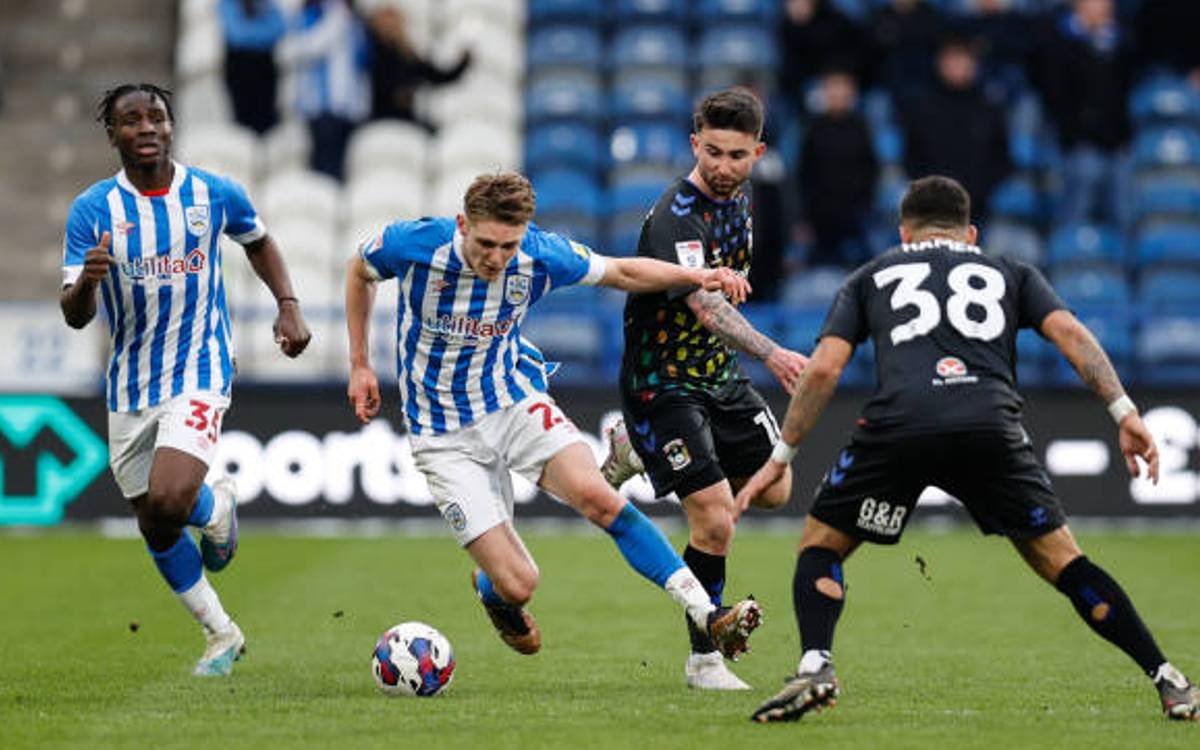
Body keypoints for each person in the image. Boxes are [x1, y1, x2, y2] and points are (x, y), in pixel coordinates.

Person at [734, 175, 1200, 722]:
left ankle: (816, 665)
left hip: (899, 425)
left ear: (904, 234)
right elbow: (1072, 334)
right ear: (971, 233)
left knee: (821, 545)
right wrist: (1125, 413)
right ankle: (1169, 679)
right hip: (989, 426)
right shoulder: (1010, 272)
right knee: (1063, 561)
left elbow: (825, 371)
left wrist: (781, 458)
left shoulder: (872, 275)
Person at [344, 171, 763, 664]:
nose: (496, 258)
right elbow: (359, 271)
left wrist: (698, 276)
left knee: (597, 496)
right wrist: (360, 363)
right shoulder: (415, 245)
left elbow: (623, 273)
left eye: (508, 245)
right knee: (519, 583)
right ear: (461, 224)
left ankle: (705, 613)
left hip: (512, 400)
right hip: (442, 434)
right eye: (486, 243)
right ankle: (494, 592)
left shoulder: (541, 255)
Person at [60, 84, 312, 676]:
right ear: (113, 134)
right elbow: (74, 315)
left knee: (171, 499)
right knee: (153, 519)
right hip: (129, 382)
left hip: (200, 367)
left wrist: (289, 303)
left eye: (157, 117)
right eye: (131, 120)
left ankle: (207, 502)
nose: (146, 127)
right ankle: (221, 634)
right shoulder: (92, 211)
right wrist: (89, 281)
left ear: (171, 127)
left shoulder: (212, 193)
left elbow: (260, 241)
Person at [599, 88, 809, 691]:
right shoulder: (677, 215)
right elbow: (706, 304)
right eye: (712, 152)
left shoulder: (741, 203)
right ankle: (704, 660)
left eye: (736, 155)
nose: (722, 166)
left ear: (757, 152)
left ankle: (635, 453)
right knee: (716, 519)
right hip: (662, 382)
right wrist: (773, 352)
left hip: (717, 376)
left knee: (774, 489)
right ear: (695, 143)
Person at [900, 36, 1009, 224]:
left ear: (974, 65)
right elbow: (912, 159)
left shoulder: (989, 108)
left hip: (980, 206)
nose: (956, 66)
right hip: (931, 208)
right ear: (940, 64)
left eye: (962, 59)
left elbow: (1002, 159)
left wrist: (979, 192)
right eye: (951, 59)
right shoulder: (922, 108)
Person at [276, 0, 369, 180]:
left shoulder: (349, 17)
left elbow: (359, 61)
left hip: (344, 108)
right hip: (318, 107)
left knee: (337, 166)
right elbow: (288, 52)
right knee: (322, 166)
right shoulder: (311, 15)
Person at [798, 69, 879, 267]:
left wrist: (865, 207)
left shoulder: (862, 127)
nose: (837, 93)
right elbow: (804, 175)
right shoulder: (812, 128)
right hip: (819, 218)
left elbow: (871, 170)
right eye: (832, 87)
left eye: (842, 87)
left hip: (856, 217)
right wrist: (804, 219)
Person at [365, 4, 471, 131]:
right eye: (388, 20)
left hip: (405, 117)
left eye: (394, 19)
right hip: (380, 117)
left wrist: (462, 64)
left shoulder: (407, 53)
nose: (392, 24)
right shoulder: (370, 49)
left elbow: (436, 76)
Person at [218, 0, 287, 134]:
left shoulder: (267, 4)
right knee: (242, 127)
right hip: (240, 72)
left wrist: (252, 32)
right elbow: (236, 35)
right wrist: (262, 32)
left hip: (265, 72)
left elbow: (280, 29)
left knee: (267, 124)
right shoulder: (228, 3)